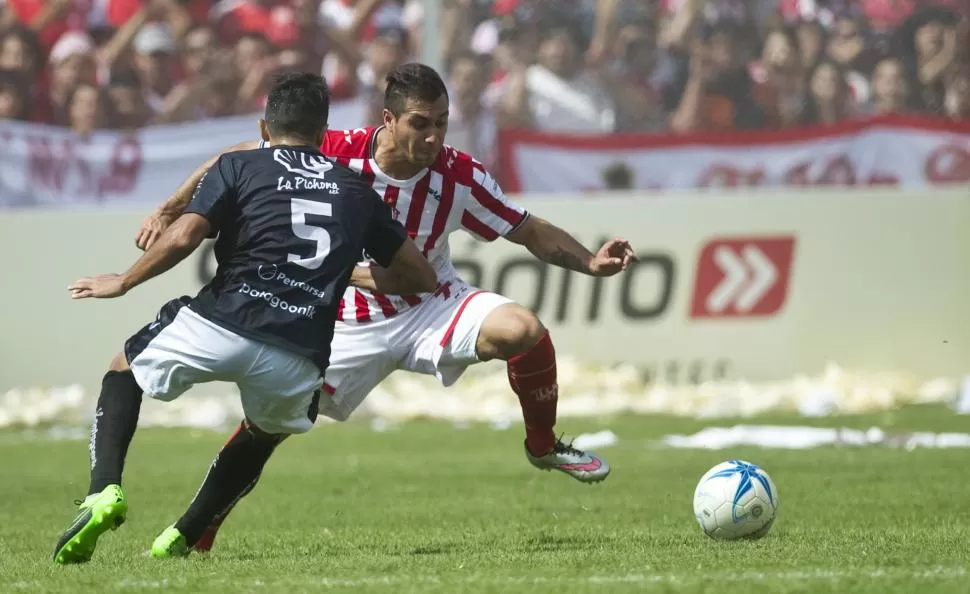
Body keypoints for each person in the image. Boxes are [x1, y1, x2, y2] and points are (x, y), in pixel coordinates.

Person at [137, 63, 637, 553]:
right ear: (389, 120)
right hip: (346, 321)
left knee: (521, 328)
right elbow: (240, 155)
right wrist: (170, 207)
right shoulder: (336, 153)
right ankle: (196, 529)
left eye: (441, 123)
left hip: (430, 304)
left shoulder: (459, 175)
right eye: (420, 123)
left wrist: (591, 262)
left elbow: (528, 230)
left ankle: (543, 444)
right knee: (266, 428)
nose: (433, 136)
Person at [51, 72, 437, 564]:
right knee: (263, 432)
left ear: (263, 126)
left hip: (224, 320)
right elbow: (419, 275)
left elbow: (186, 236)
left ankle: (104, 491)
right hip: (299, 352)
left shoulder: (240, 164)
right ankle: (182, 536)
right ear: (323, 136)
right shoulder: (356, 191)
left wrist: (124, 280)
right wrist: (343, 273)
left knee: (123, 370)